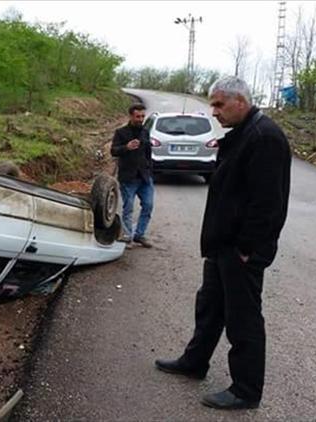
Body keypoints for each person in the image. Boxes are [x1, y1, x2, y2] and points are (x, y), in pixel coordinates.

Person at [154, 76, 291, 410]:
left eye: (218, 104)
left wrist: (247, 247)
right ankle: (194, 361)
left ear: (240, 101)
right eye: (212, 104)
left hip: (241, 249)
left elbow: (268, 204)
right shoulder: (242, 134)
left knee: (242, 318)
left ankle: (245, 390)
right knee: (210, 307)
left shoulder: (264, 137)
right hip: (223, 245)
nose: (213, 112)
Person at [110, 103, 154, 248]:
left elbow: (148, 152)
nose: (140, 119)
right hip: (128, 178)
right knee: (128, 209)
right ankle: (128, 237)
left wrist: (150, 169)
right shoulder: (121, 132)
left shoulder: (145, 132)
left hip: (144, 177)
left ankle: (139, 235)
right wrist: (126, 147)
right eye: (137, 116)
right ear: (131, 116)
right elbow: (113, 151)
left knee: (148, 205)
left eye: (142, 116)